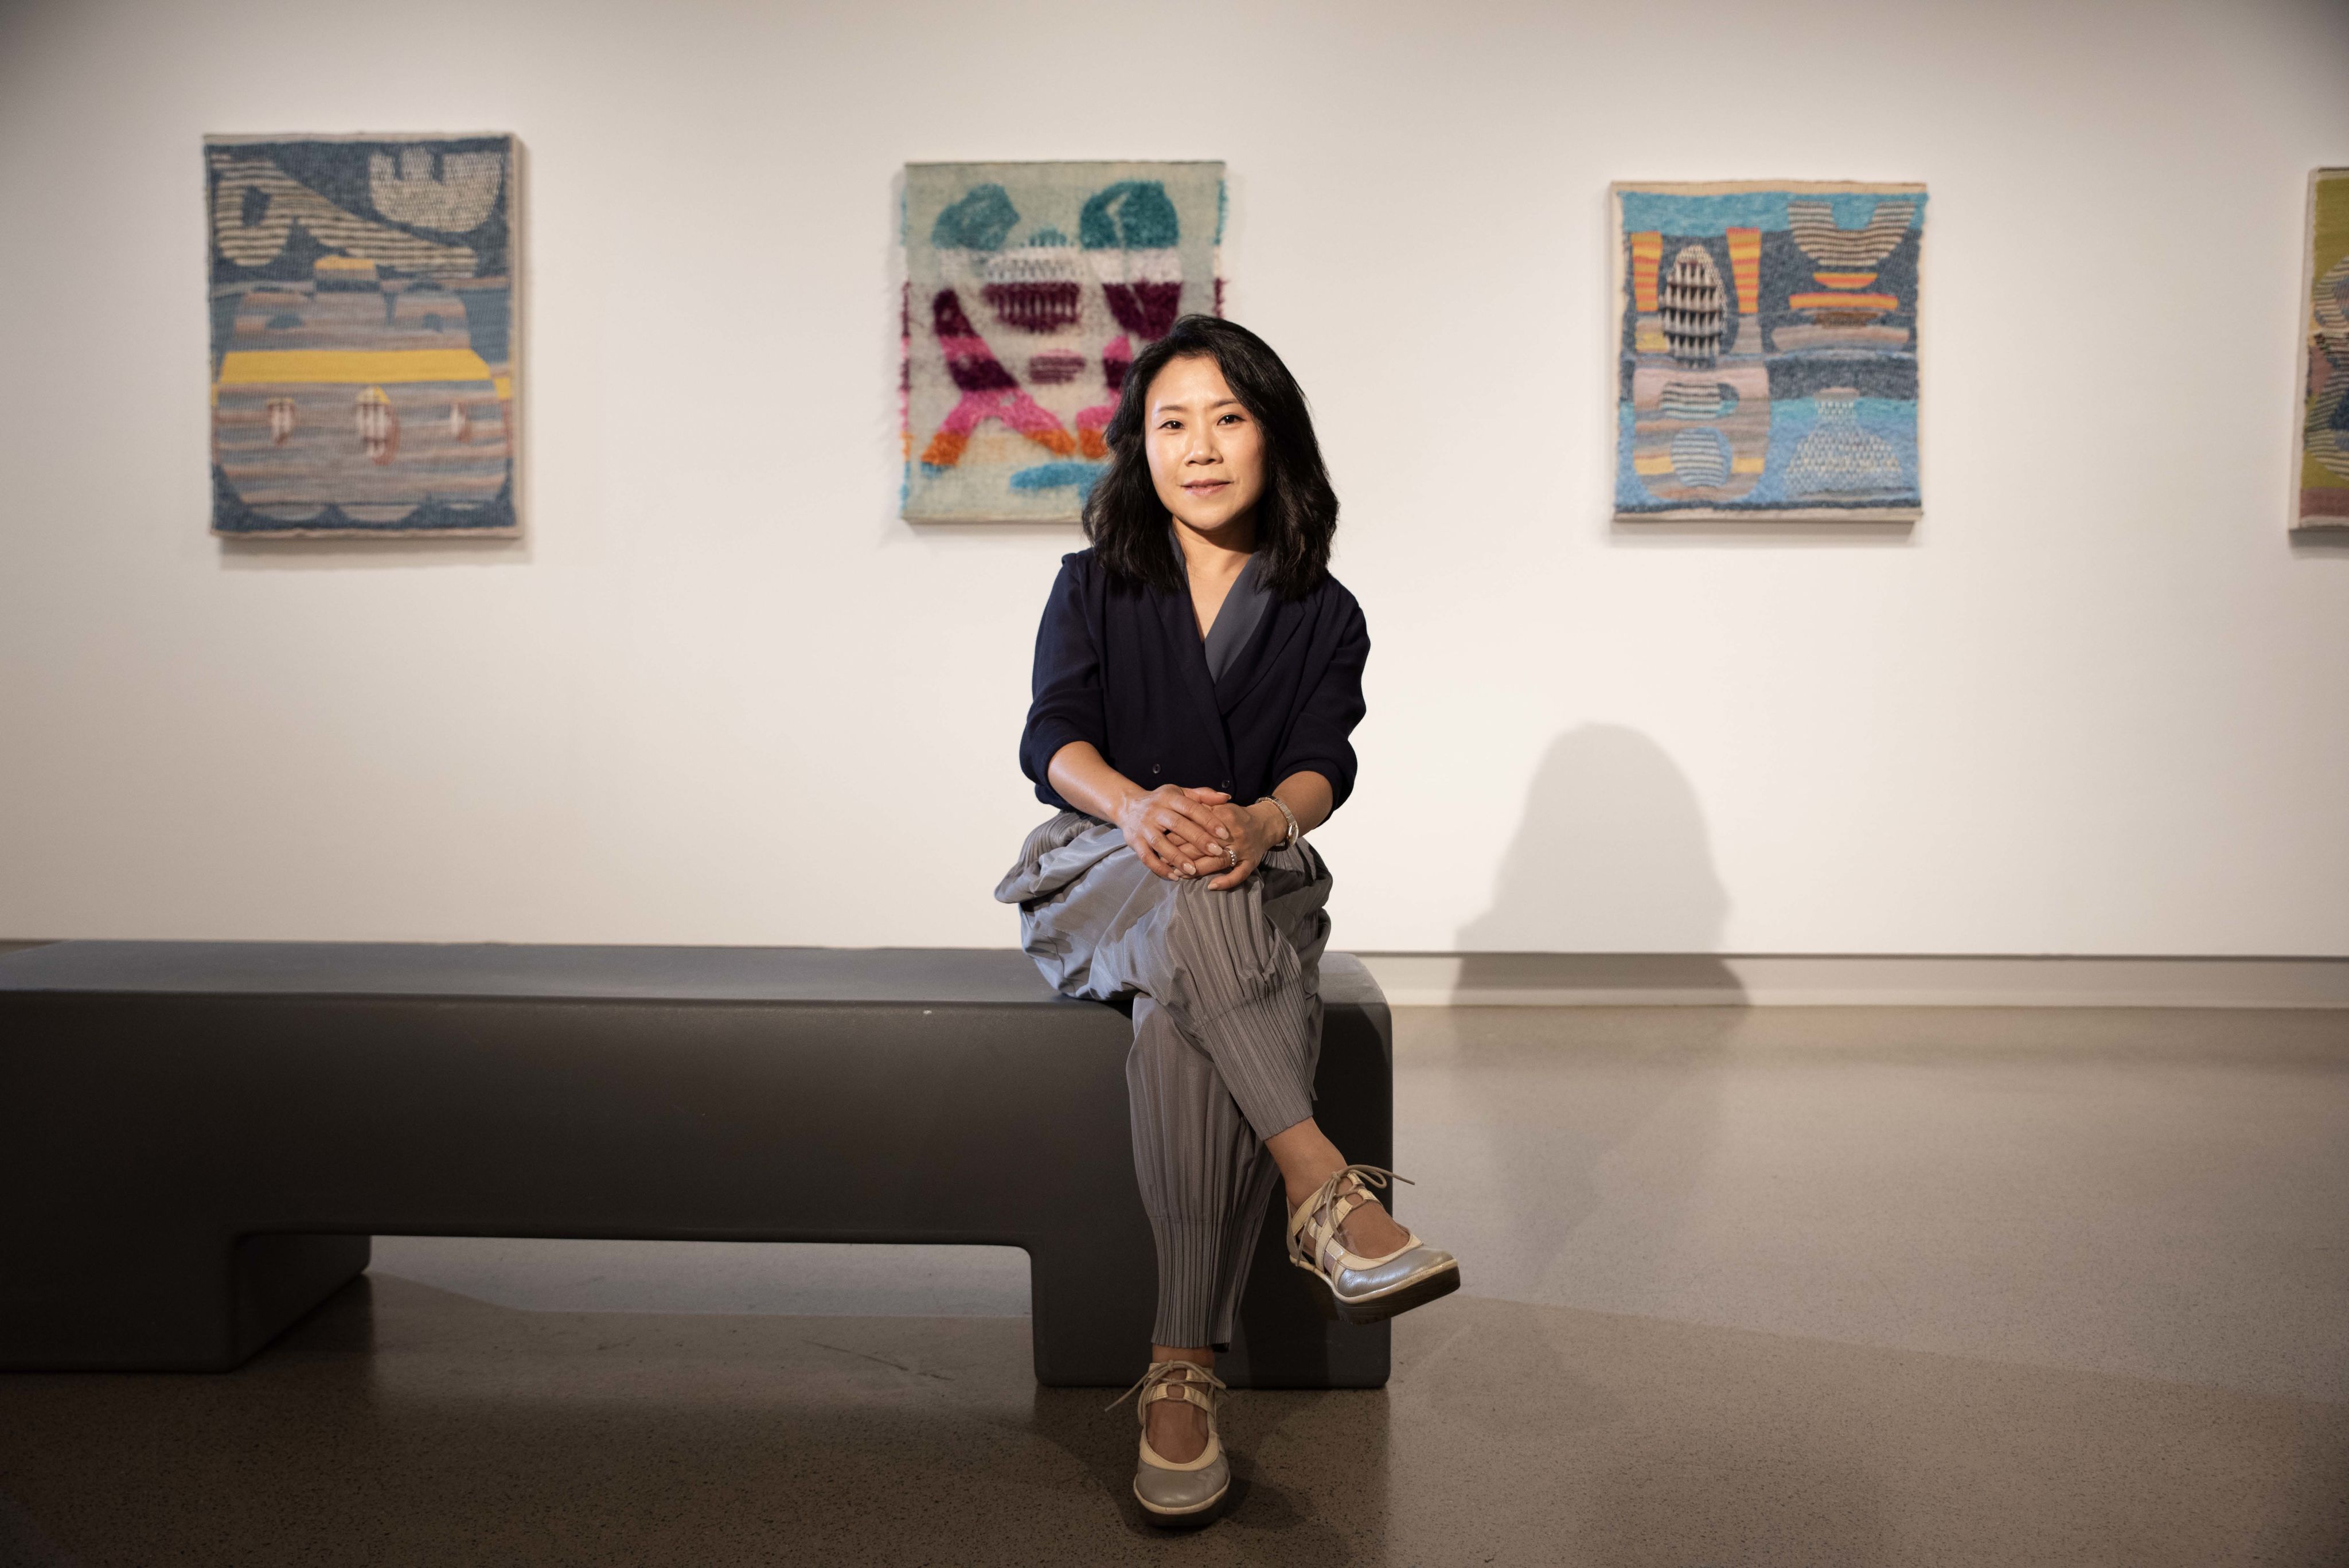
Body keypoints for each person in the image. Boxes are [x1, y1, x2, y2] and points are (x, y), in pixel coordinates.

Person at [994, 314, 1461, 1528]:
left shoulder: (1323, 609)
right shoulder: (1091, 582)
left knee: (1173, 1016)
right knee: (1181, 885)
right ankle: (1325, 1192)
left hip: (1251, 888)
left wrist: (1254, 824)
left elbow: (1321, 767)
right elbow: (1052, 740)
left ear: (1273, 435)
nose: (1198, 447)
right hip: (1102, 864)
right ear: (1138, 447)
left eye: (1227, 416)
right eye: (1171, 422)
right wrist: (1140, 805)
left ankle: (1177, 1370)